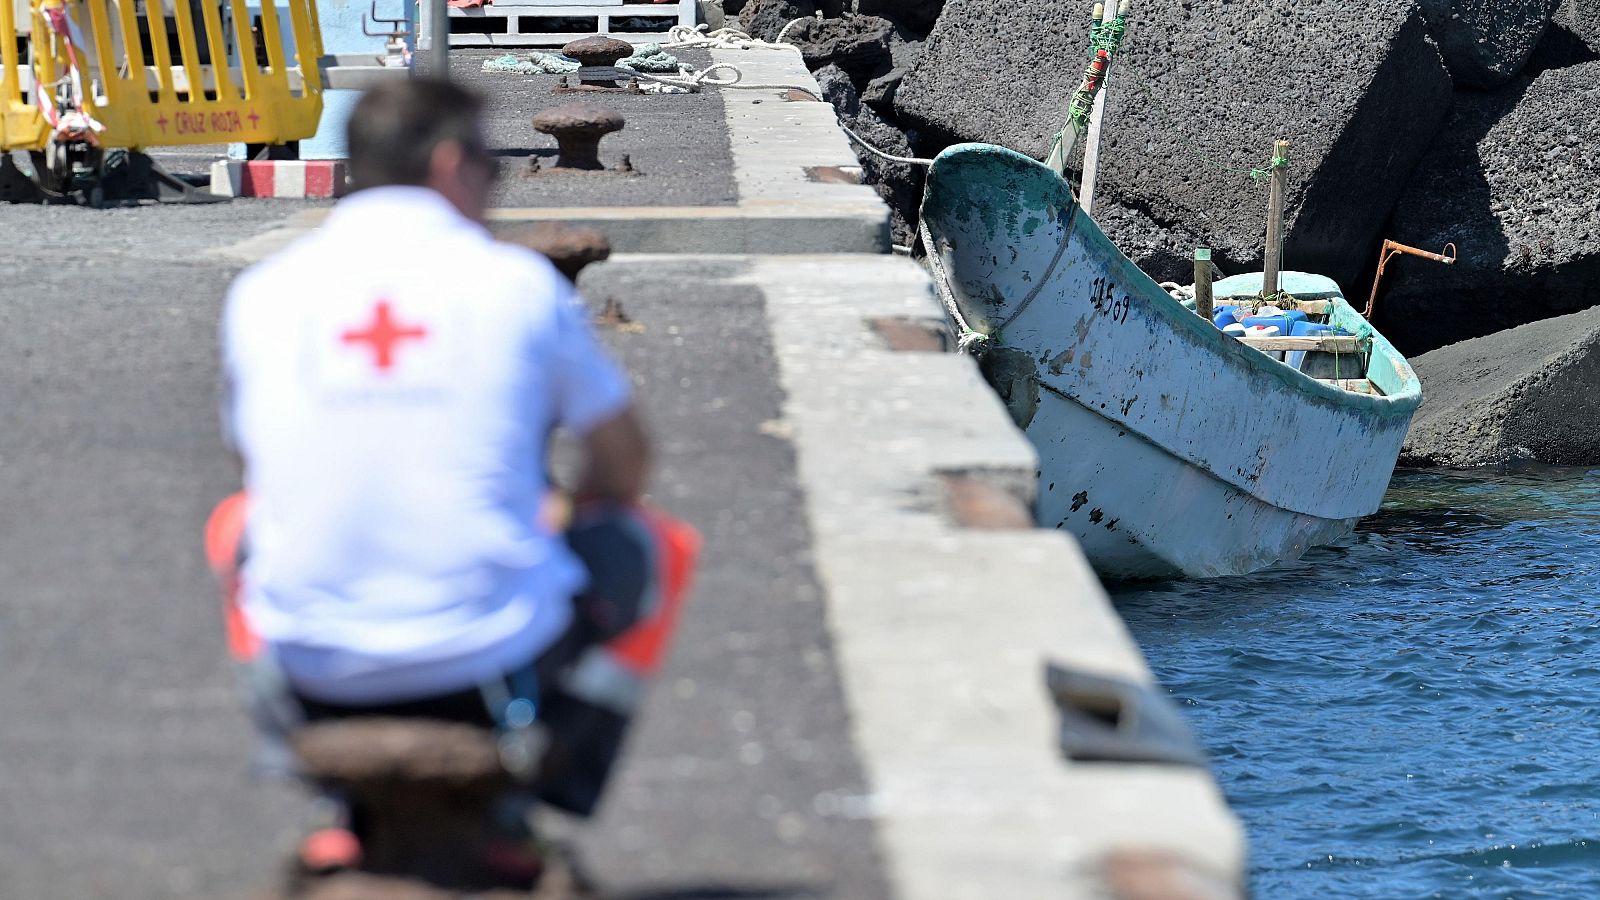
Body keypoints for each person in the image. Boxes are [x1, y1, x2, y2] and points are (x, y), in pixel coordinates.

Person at [207, 78, 684, 880]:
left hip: (314, 672)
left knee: (234, 527)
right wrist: (555, 511)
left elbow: (255, 471)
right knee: (652, 545)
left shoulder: (264, 293)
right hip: (491, 666)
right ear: (453, 161)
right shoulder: (515, 284)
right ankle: (539, 785)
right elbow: (625, 466)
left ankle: (325, 792)